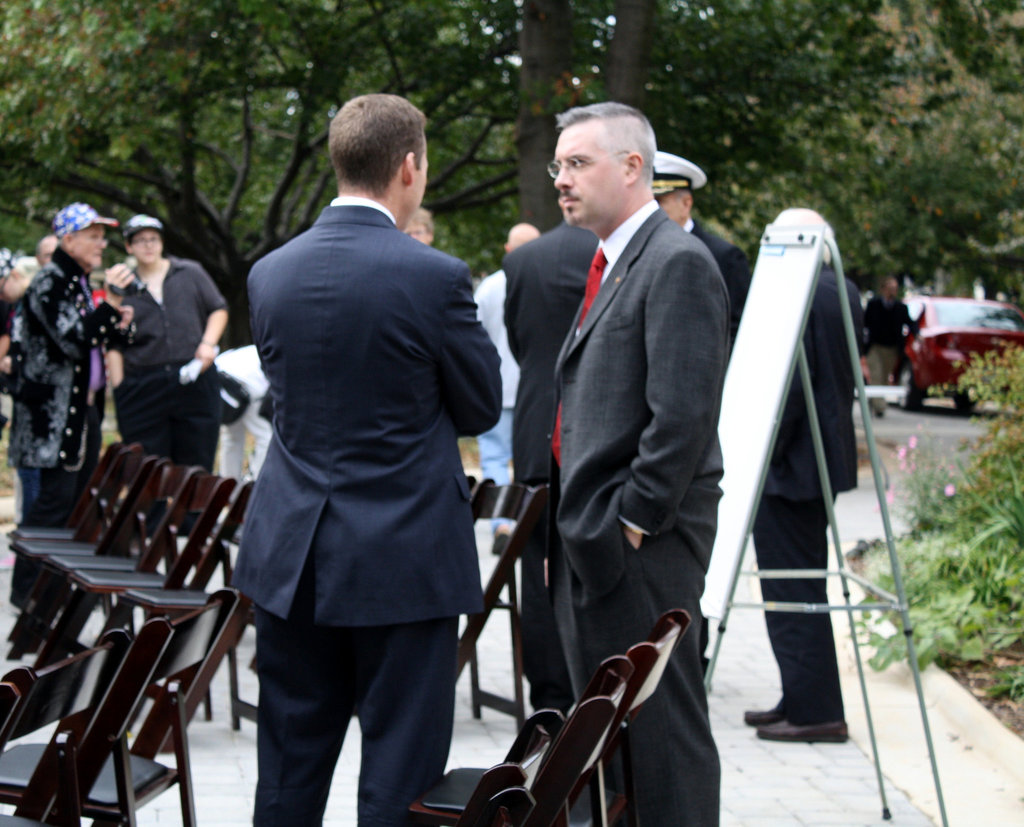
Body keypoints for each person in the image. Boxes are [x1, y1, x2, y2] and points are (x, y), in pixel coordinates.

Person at [234, 93, 501, 826]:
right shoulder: (435, 276)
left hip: (294, 551)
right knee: (401, 770)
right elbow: (479, 408)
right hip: (404, 553)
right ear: (410, 167)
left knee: (288, 762)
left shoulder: (270, 273)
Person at [549, 102, 727, 824]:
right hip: (600, 544)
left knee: (665, 743)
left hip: (643, 550)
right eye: (557, 165)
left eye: (577, 163)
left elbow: (681, 416)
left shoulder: (677, 262)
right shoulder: (612, 260)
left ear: (633, 168)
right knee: (615, 743)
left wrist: (632, 523)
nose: (560, 179)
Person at [745, 207, 863, 744]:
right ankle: (802, 694)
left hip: (790, 466)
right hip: (816, 462)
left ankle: (815, 710)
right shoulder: (841, 288)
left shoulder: (800, 294)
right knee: (797, 586)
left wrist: (755, 444)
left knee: (791, 591)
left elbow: (789, 385)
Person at [7, 203, 136, 607]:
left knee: (74, 510)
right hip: (50, 422)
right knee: (49, 514)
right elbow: (71, 340)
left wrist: (119, 323)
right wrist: (109, 301)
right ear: (69, 240)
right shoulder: (51, 280)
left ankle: (55, 598)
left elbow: (99, 340)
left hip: (80, 415)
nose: (103, 244)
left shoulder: (77, 280)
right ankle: (30, 603)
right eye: (94, 235)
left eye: (103, 235)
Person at [503, 221, 594, 714]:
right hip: (598, 434)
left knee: (537, 582)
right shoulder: (624, 251)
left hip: (538, 426)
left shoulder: (523, 260)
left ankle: (549, 696)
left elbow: (522, 346)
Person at [107, 214, 228, 470]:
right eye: (140, 241)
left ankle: (193, 512)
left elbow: (218, 308)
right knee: (147, 469)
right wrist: (120, 387)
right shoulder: (122, 286)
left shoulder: (189, 271)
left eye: (153, 239)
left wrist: (208, 344)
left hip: (193, 377)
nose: (148, 245)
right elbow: (113, 342)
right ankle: (154, 512)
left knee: (196, 466)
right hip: (143, 383)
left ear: (162, 242)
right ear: (129, 247)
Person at [473, 221, 540, 553]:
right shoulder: (543, 282)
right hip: (533, 390)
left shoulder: (490, 286)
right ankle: (528, 518)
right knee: (530, 459)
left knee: (496, 458)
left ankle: (502, 521)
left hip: (498, 386)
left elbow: (474, 335)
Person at [653, 150, 751, 347]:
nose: (653, 211)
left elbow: (738, 329)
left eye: (660, 203)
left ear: (686, 204)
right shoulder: (644, 250)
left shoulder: (724, 256)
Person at [214, 344, 271, 480]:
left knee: (231, 438)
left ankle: (232, 485)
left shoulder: (262, 347)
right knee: (265, 437)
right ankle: (254, 483)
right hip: (241, 387)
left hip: (232, 382)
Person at [863, 275, 915, 416]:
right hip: (875, 347)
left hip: (891, 348)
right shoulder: (873, 305)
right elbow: (864, 323)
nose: (893, 292)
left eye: (895, 289)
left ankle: (875, 401)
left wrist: (918, 335)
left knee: (885, 377)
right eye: (890, 288)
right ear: (884, 289)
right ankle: (880, 407)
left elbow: (910, 324)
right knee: (876, 375)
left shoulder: (900, 307)